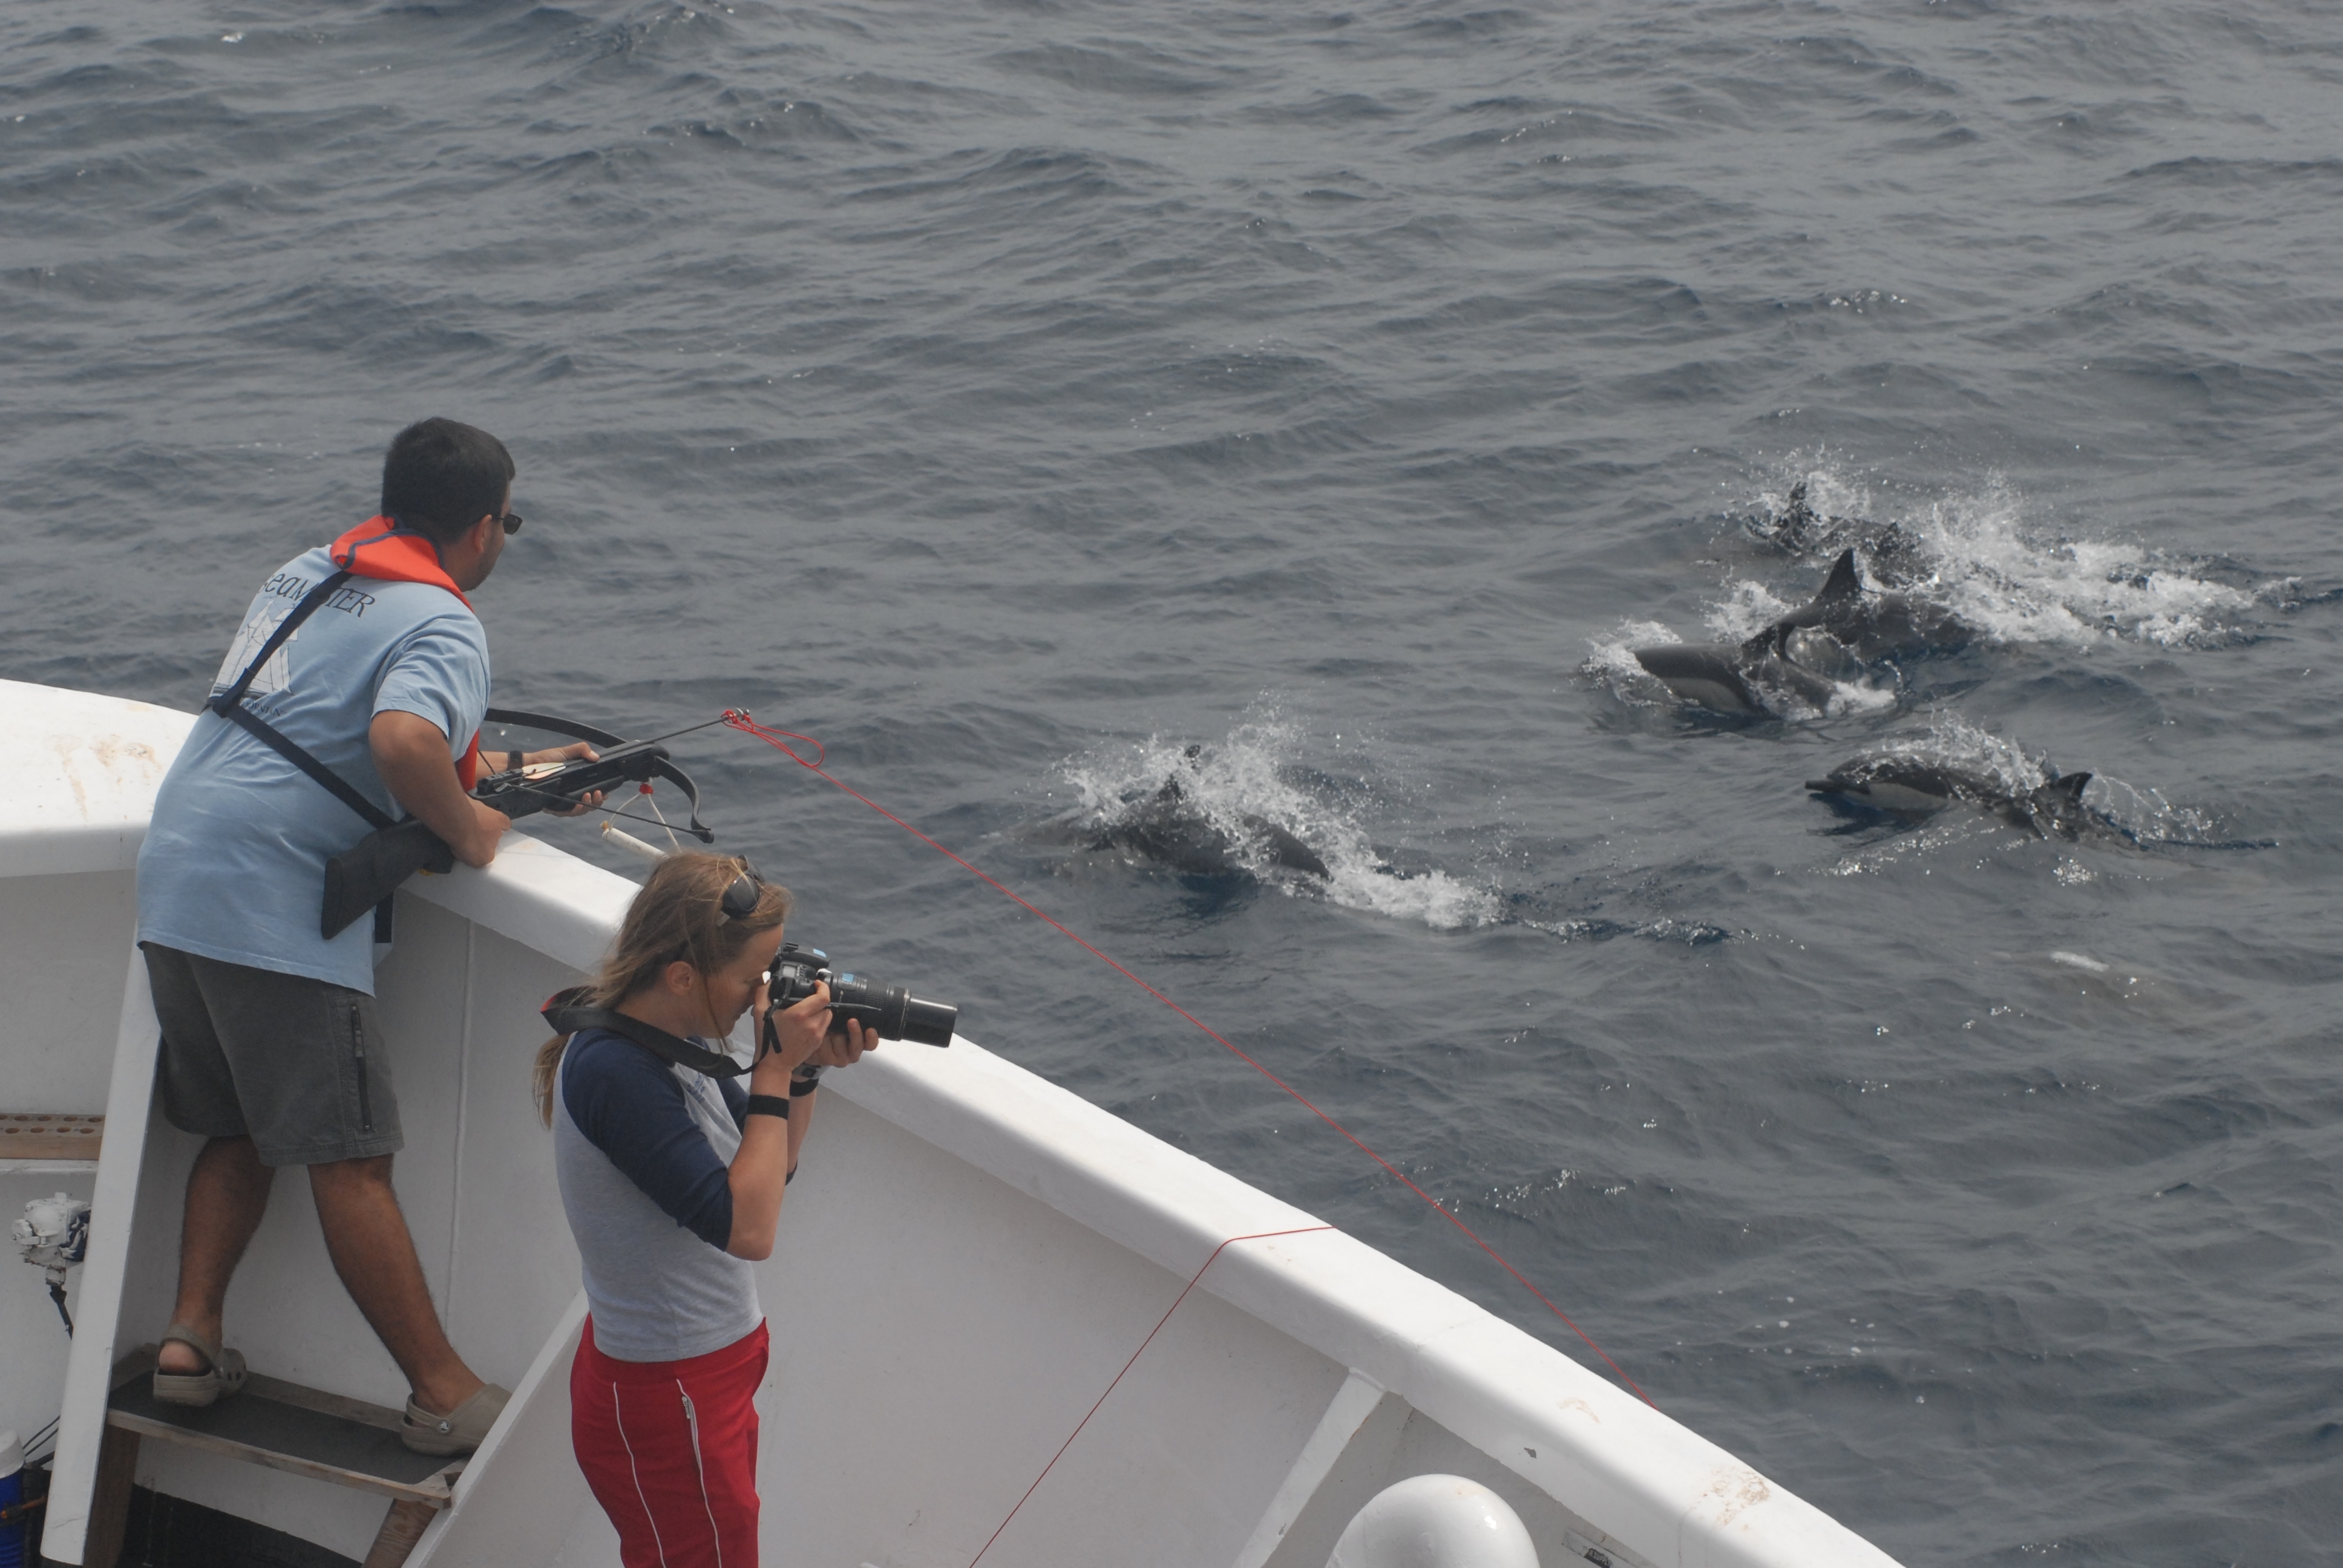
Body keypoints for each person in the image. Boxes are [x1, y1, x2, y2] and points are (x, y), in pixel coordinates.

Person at [134, 417, 601, 1455]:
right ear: (484, 528)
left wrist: (507, 777)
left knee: (243, 1124)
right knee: (351, 1162)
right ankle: (442, 1392)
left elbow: (316, 731)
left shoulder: (307, 570)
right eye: (508, 524)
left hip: (181, 874)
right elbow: (400, 740)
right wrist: (475, 827)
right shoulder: (445, 622)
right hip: (272, 906)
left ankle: (190, 1342)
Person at [533, 852, 873, 1568]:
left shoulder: (673, 1042)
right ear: (682, 976)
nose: (765, 996)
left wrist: (804, 1069)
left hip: (704, 1369)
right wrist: (775, 1066)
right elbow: (748, 1231)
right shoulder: (614, 1069)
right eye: (754, 976)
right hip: (669, 1389)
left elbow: (768, 1167)